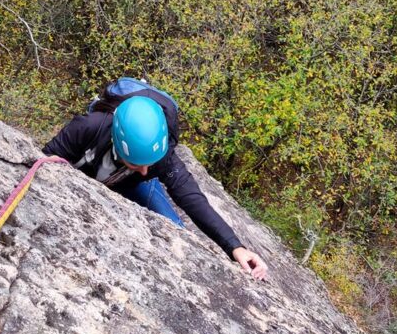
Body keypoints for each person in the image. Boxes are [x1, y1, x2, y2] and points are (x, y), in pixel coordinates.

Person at [43, 79, 268, 280]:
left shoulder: (161, 157)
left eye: (149, 164)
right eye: (136, 163)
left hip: (129, 186)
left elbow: (192, 198)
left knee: (176, 232)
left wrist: (235, 247)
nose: (145, 171)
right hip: (105, 177)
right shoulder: (88, 127)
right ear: (117, 142)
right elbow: (44, 159)